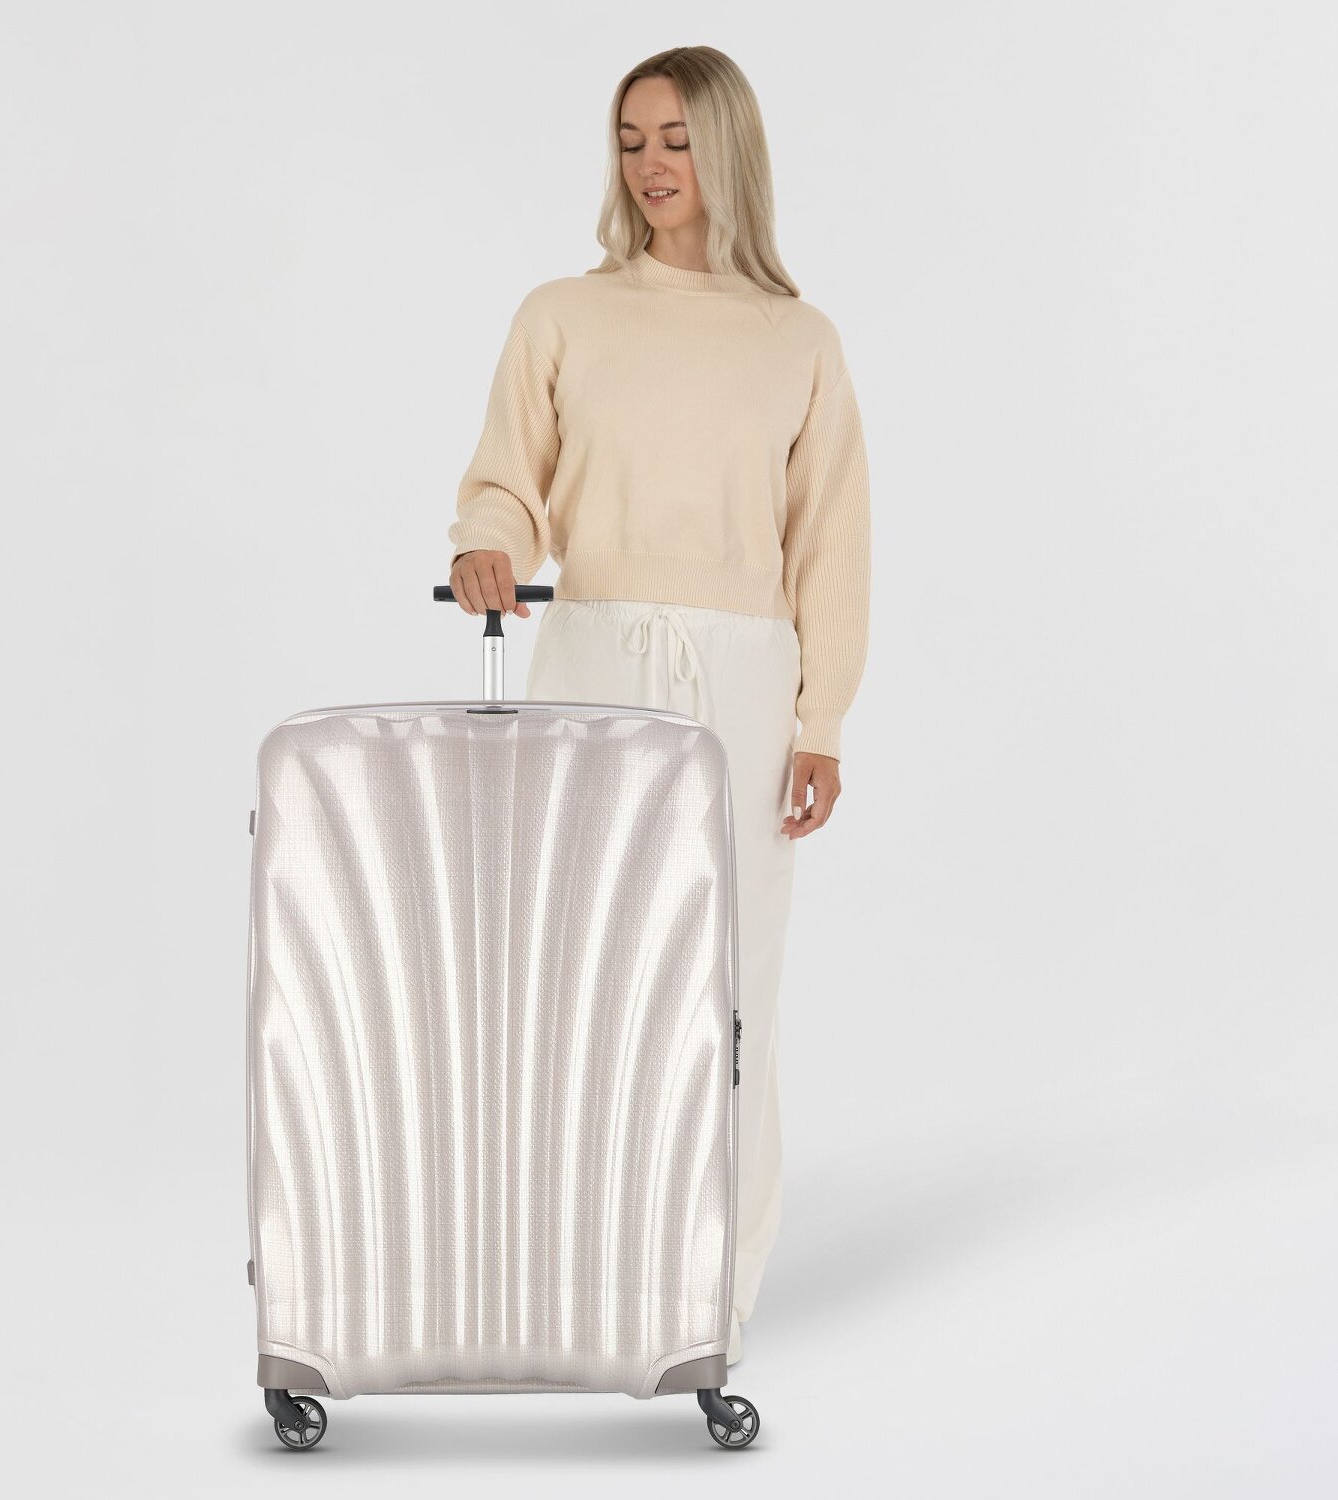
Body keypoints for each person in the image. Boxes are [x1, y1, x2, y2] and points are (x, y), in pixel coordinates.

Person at [445, 45, 871, 1369]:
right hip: (592, 655)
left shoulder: (797, 339)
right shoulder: (562, 315)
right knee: (578, 969)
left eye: (677, 138)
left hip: (740, 679)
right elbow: (506, 477)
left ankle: (706, 1300)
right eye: (631, 140)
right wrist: (488, 542)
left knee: (728, 986)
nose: (651, 165)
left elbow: (830, 545)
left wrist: (820, 721)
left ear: (729, 147)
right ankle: (577, 1271)